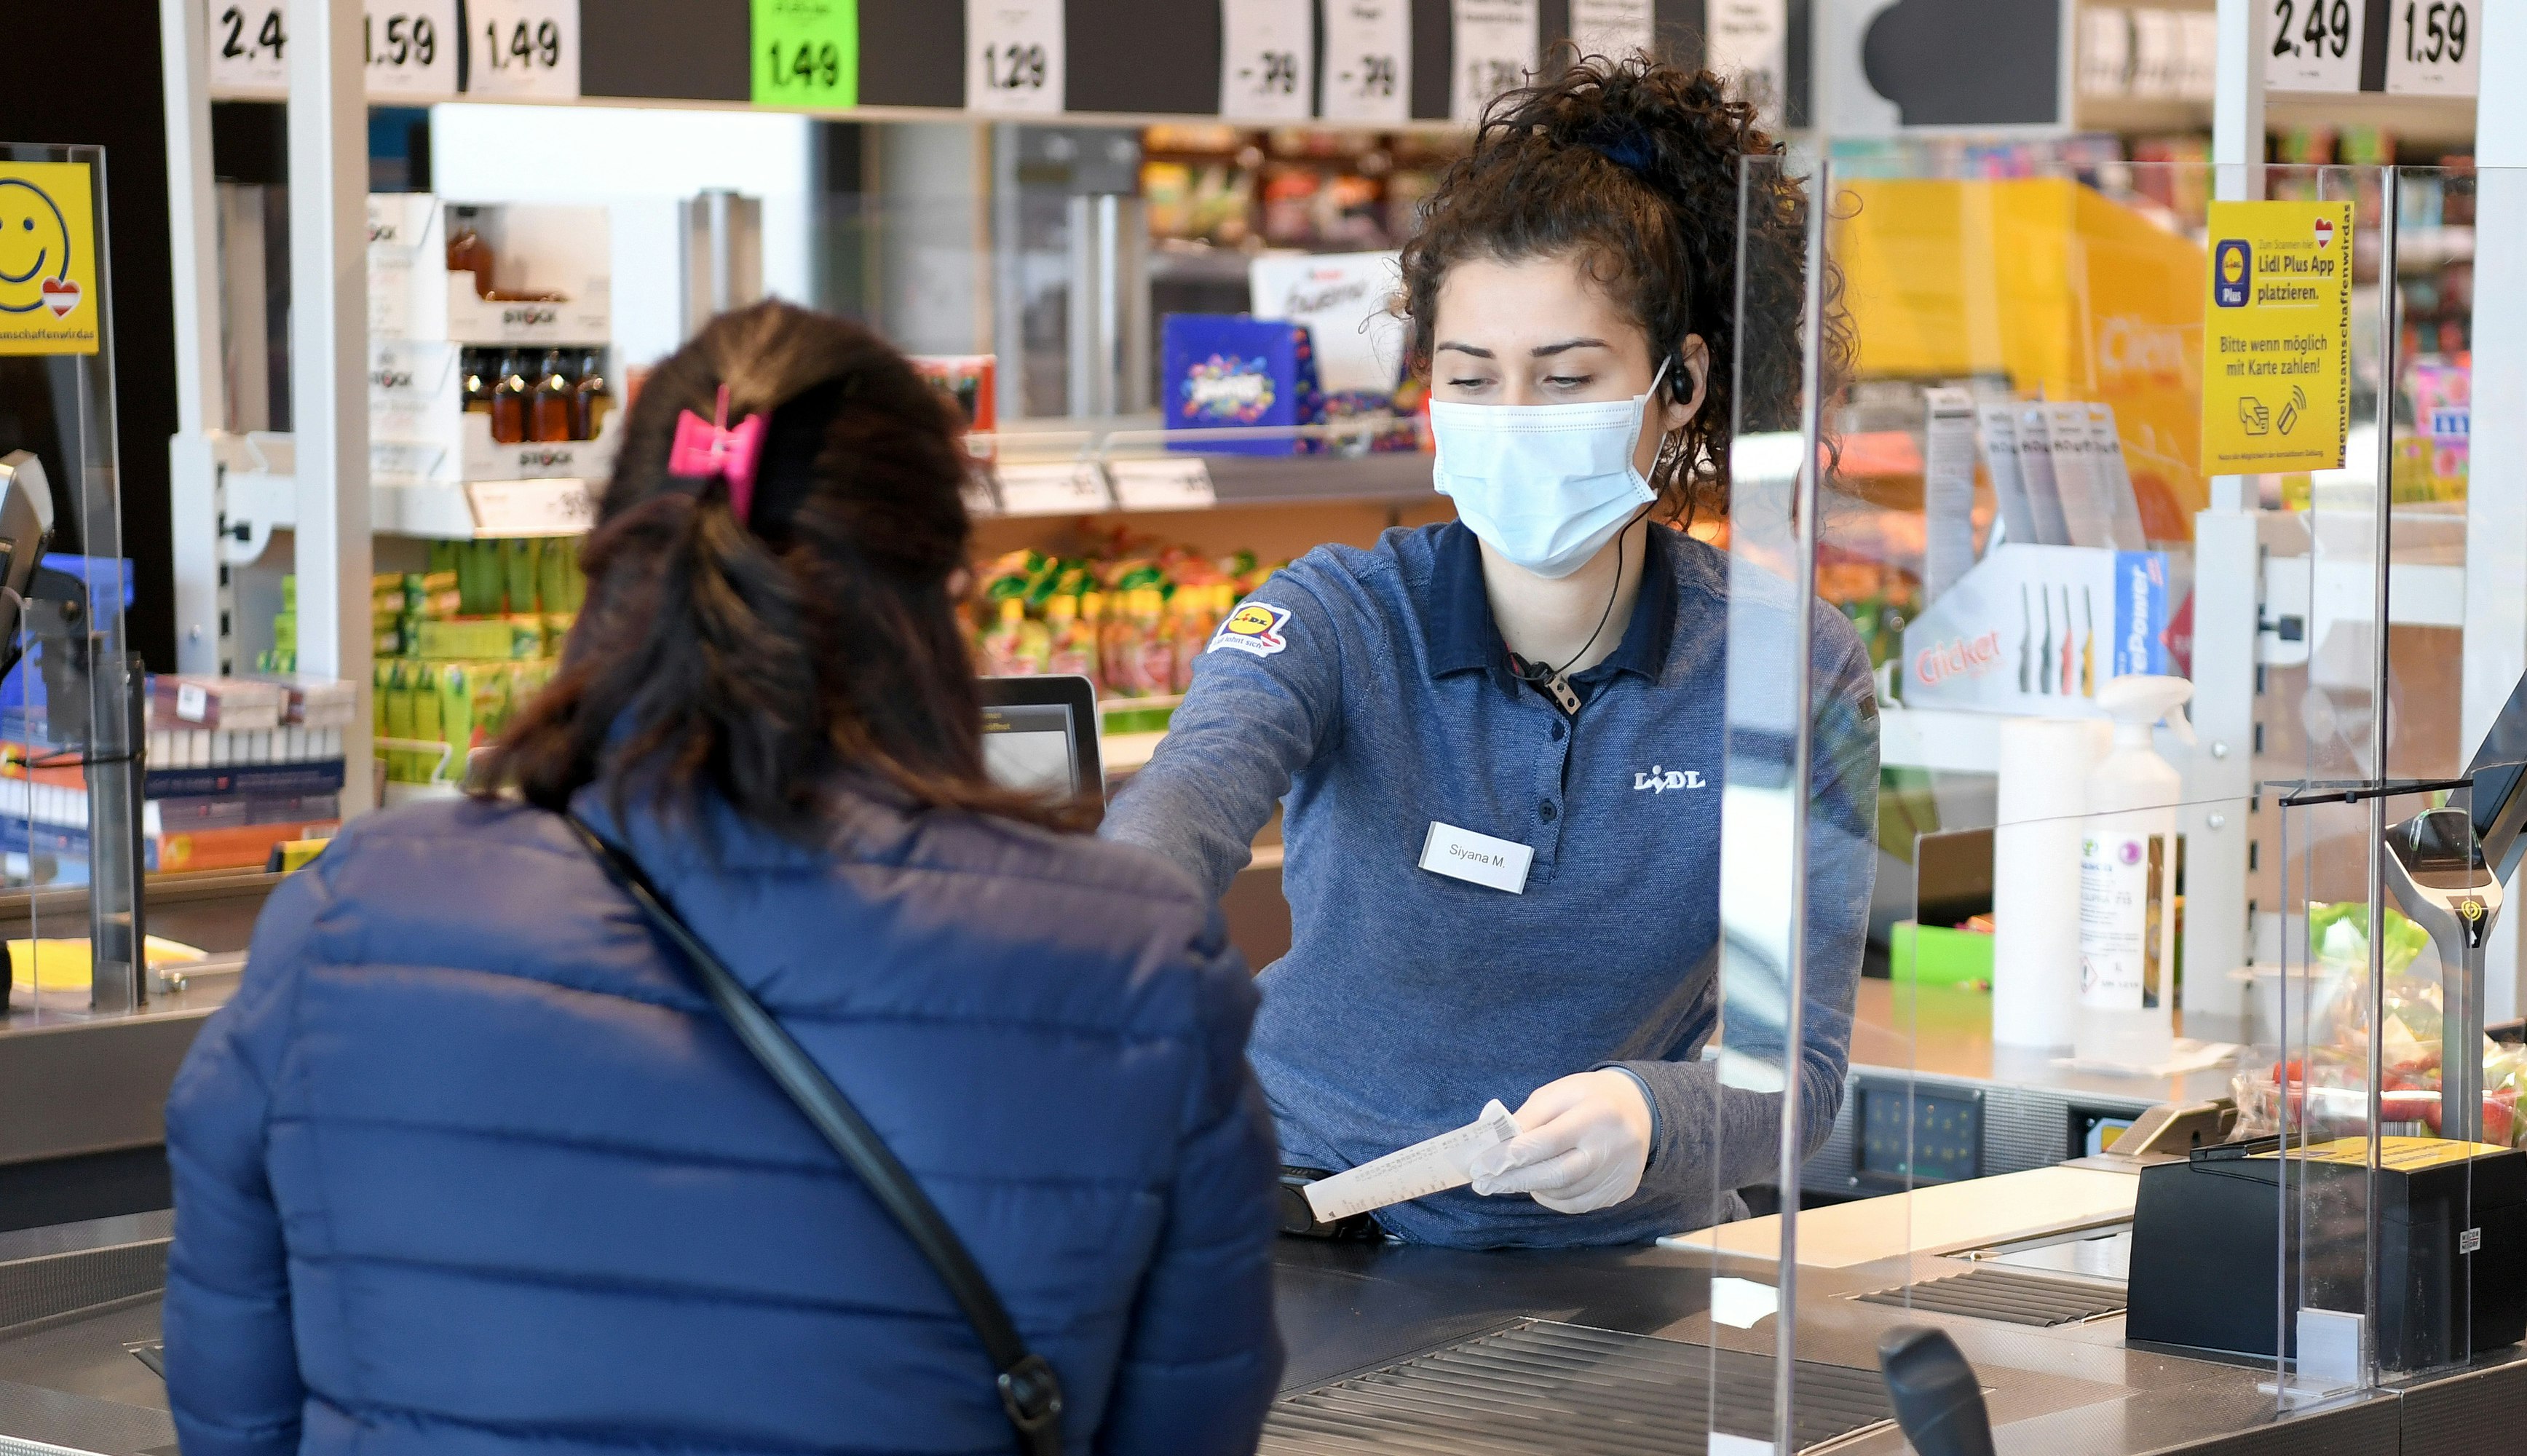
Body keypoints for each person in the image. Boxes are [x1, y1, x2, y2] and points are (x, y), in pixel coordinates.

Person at [162, 303, 1281, 1456]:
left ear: (611, 571)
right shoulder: (1136, 968)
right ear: (946, 598)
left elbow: (236, 1411)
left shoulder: (349, 921)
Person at [1103, 58, 1878, 1249]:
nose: (1513, 419)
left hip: (1630, 1267)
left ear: (1679, 384)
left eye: (1566, 379)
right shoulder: (1338, 618)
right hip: (1307, 1228)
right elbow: (1183, 807)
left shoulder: (1790, 666)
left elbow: (1801, 1076)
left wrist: (1653, 1115)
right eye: (1471, 379)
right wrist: (1108, 935)